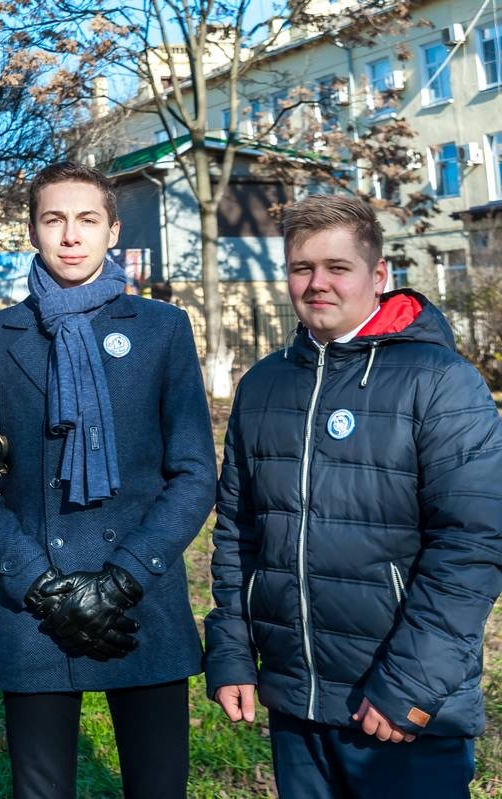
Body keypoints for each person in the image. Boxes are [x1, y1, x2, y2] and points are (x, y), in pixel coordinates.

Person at [205, 195, 502, 798]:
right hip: (296, 701)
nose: (318, 284)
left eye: (338, 267)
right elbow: (239, 534)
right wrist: (233, 653)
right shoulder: (263, 385)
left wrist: (408, 690)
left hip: (400, 712)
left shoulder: (441, 381)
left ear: (379, 275)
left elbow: (473, 545)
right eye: (301, 267)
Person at [0, 161, 216, 798]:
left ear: (112, 231)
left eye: (87, 220)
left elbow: (194, 472)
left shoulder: (161, 329)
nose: (71, 235)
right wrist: (42, 587)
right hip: (39, 598)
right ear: (34, 231)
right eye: (55, 219)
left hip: (140, 596)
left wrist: (122, 580)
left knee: (158, 789)